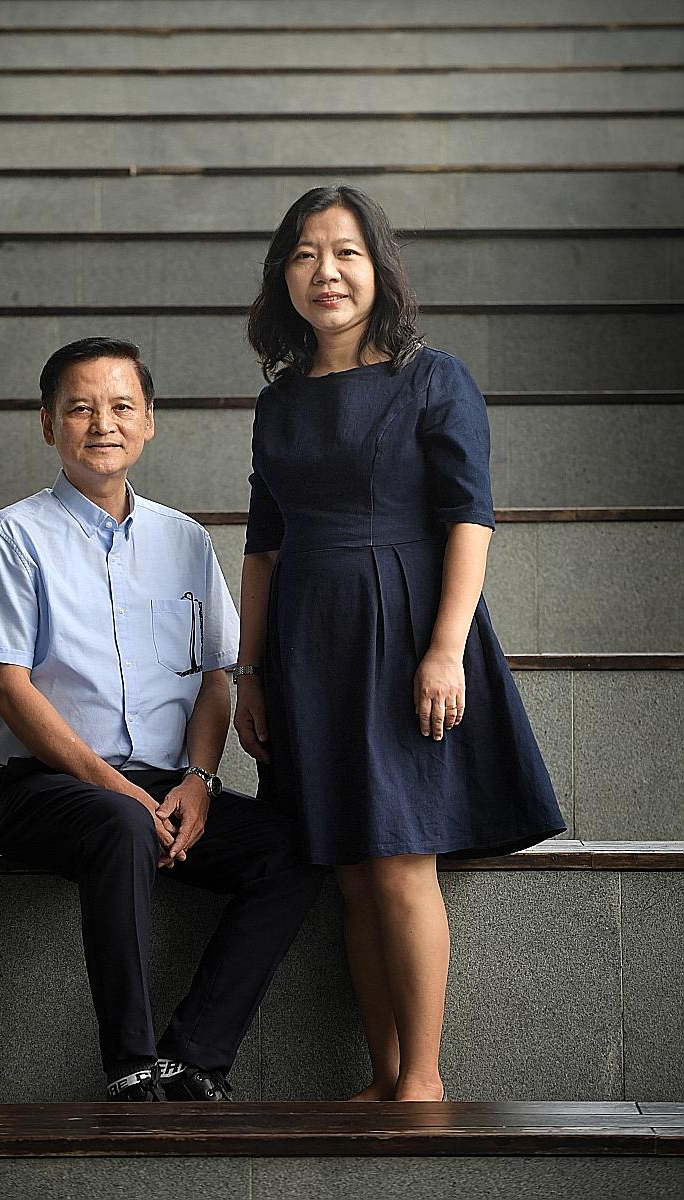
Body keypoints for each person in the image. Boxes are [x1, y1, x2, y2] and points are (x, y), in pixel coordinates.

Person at [234, 186, 566, 1104]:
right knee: (347, 870)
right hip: (306, 641)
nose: (325, 273)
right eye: (303, 255)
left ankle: (423, 1078)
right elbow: (262, 546)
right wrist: (250, 671)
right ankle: (381, 1076)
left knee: (398, 857)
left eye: (344, 252)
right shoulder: (278, 403)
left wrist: (442, 650)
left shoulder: (433, 377)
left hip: (400, 630)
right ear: (282, 277)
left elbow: (470, 518)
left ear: (378, 268)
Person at [0, 336, 324, 1103]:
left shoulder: (184, 540)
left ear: (150, 421)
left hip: (166, 785)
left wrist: (198, 779)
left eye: (122, 406)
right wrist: (113, 788)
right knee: (119, 824)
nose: (103, 423)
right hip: (46, 787)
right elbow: (7, 687)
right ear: (47, 425)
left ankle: (193, 1056)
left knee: (291, 846)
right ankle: (129, 1065)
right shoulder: (14, 534)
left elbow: (214, 677)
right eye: (80, 408)